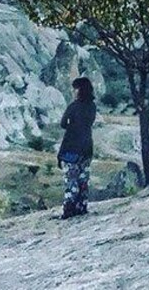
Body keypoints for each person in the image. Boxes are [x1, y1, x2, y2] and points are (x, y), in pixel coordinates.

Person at [58, 77, 97, 219]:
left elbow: (63, 123)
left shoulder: (73, 106)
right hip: (87, 146)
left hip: (72, 146)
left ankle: (69, 208)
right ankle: (82, 206)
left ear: (79, 89)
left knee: (71, 178)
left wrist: (72, 126)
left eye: (75, 88)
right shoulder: (92, 106)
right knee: (83, 179)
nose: (73, 91)